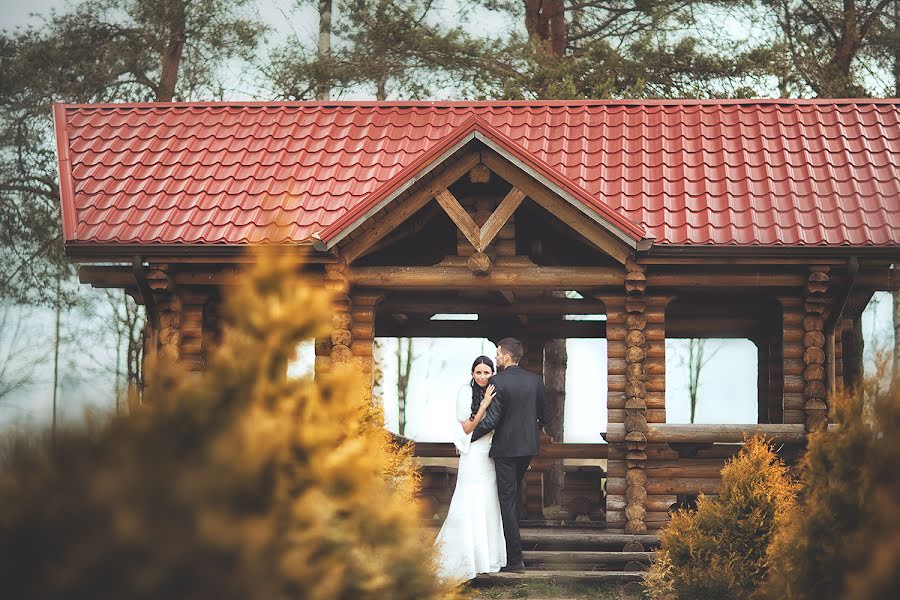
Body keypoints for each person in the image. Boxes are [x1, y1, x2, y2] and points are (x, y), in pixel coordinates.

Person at [471, 338, 550, 573]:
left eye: (497, 354)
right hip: (527, 448)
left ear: (506, 357)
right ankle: (509, 552)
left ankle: (515, 560)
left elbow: (493, 419)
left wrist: (471, 436)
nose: (495, 357)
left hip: (505, 449)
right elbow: (546, 417)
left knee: (507, 500)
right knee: (513, 496)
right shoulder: (536, 381)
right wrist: (528, 428)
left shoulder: (497, 381)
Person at [434, 356, 507, 582]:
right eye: (479, 373)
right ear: (472, 373)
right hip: (473, 452)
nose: (483, 377)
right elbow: (466, 428)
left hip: (490, 454)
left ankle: (487, 557)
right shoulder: (465, 392)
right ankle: (466, 556)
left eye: (487, 372)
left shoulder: (497, 390)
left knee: (488, 501)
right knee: (470, 499)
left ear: (493, 373)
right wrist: (484, 404)